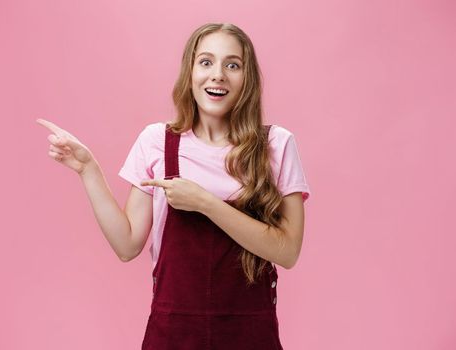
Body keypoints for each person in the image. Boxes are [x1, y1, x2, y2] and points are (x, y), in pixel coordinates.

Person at [35, 22, 310, 349]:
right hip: (173, 334)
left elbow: (288, 251)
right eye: (206, 62)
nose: (218, 74)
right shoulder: (156, 142)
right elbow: (127, 245)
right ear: (190, 73)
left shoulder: (276, 145)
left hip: (250, 335)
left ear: (246, 79)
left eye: (232, 65)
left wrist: (205, 203)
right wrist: (89, 170)